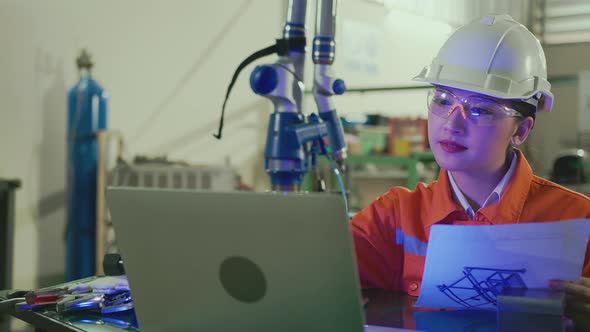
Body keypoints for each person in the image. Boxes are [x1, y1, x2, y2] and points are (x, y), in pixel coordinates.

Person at [349, 13, 590, 325]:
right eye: (442, 99)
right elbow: (315, 278)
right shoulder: (395, 217)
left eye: (480, 109)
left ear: (521, 130)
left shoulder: (575, 221)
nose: (453, 122)